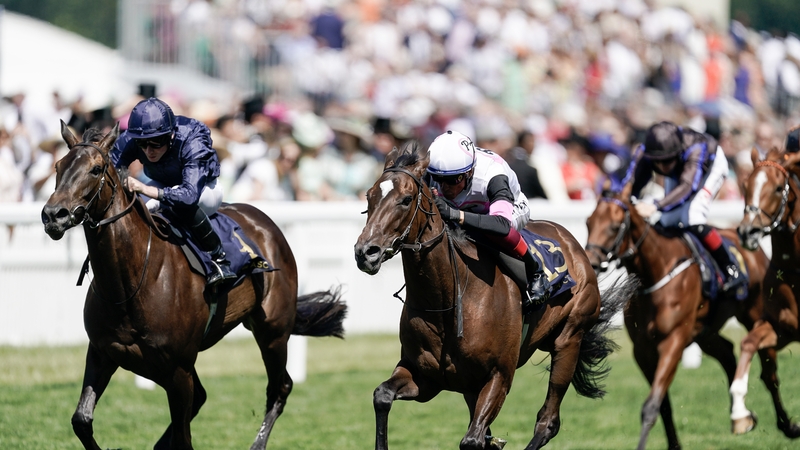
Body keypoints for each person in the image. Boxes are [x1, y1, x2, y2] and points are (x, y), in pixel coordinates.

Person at [111, 97, 236, 286]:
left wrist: (144, 188)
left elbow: (189, 195)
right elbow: (109, 172)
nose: (148, 150)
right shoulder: (132, 137)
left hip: (203, 190)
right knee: (136, 209)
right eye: (142, 144)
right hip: (162, 183)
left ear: (170, 135)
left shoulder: (192, 137)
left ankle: (219, 259)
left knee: (177, 204)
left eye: (156, 142)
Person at [426, 130, 549, 313]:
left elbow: (501, 224)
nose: (444, 187)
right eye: (438, 179)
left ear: (469, 172)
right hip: (467, 207)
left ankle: (535, 271)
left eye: (452, 180)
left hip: (510, 209)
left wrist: (455, 214)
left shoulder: (493, 174)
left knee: (490, 232)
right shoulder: (434, 170)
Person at [631, 121, 743, 291]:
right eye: (657, 162)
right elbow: (631, 183)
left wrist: (655, 206)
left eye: (666, 161)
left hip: (711, 167)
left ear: (677, 153)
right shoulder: (646, 152)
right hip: (682, 170)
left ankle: (731, 268)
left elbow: (687, 187)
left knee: (693, 216)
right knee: (666, 221)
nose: (662, 167)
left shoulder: (696, 148)